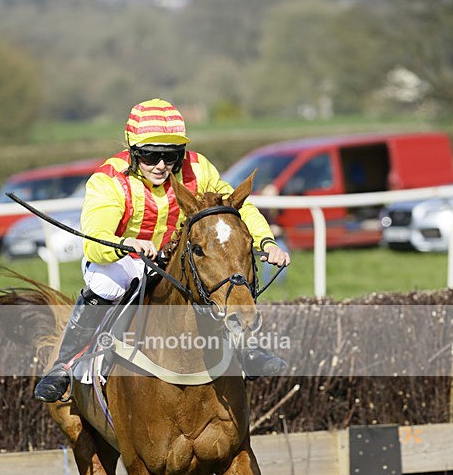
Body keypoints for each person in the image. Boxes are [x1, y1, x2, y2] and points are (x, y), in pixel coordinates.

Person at [35, 99, 290, 402]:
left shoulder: (198, 168)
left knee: (225, 275)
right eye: (150, 155)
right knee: (107, 283)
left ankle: (247, 347)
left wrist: (266, 241)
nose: (161, 165)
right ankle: (64, 365)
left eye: (171, 156)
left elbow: (235, 210)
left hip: (177, 257)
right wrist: (124, 244)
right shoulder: (109, 181)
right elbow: (95, 241)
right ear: (133, 151)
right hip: (123, 260)